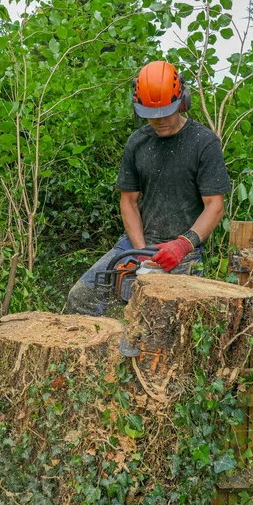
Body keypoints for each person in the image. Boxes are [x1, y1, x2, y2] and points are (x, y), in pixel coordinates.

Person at [67, 60, 231, 322]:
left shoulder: (204, 143)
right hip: (137, 242)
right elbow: (129, 202)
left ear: (183, 101)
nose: (159, 120)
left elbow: (215, 205)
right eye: (151, 114)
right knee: (82, 297)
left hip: (183, 248)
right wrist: (141, 253)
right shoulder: (138, 143)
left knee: (169, 320)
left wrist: (183, 244)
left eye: (166, 112)